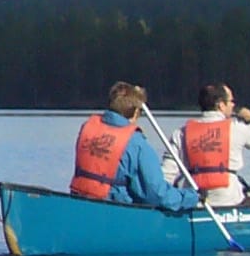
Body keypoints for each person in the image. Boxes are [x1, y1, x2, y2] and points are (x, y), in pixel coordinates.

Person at [68, 81, 200, 211]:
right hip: (116, 210)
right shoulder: (137, 144)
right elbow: (157, 195)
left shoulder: (87, 128)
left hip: (81, 203)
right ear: (136, 112)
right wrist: (191, 197)